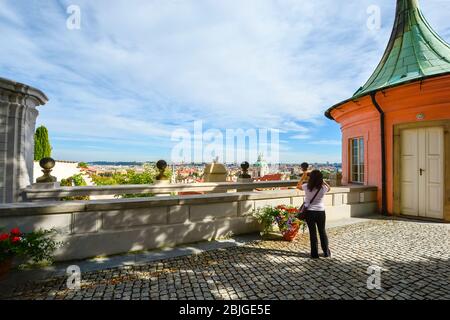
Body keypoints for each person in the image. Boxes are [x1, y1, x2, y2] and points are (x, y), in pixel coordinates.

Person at [297, 170, 331, 259]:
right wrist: (323, 181)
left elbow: (298, 186)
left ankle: (314, 254)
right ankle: (326, 252)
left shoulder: (306, 186)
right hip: (320, 212)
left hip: (309, 212)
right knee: (322, 232)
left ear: (310, 178)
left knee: (313, 233)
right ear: (320, 178)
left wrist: (303, 177)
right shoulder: (323, 188)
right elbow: (329, 188)